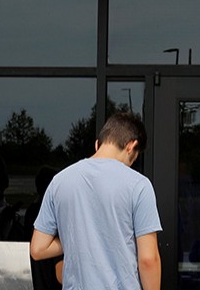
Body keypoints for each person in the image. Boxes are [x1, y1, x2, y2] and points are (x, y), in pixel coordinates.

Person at [31, 111, 161, 290]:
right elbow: (148, 259)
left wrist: (78, 235)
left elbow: (38, 249)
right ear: (131, 146)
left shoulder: (59, 181)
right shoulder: (139, 185)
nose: (130, 165)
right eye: (133, 159)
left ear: (97, 144)